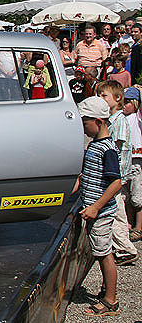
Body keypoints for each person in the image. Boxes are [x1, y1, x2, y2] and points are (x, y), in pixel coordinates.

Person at [73, 96, 122, 317]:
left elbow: (116, 183)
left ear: (99, 121)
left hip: (101, 212)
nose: (84, 128)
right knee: (100, 251)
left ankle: (110, 300)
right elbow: (86, 176)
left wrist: (95, 207)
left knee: (104, 253)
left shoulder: (107, 149)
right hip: (94, 209)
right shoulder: (95, 145)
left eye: (86, 123)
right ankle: (106, 289)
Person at [95, 80, 138, 266]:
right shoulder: (112, 120)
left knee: (116, 212)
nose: (100, 99)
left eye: (104, 96)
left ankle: (126, 248)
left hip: (116, 176)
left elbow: (115, 149)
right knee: (117, 212)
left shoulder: (119, 121)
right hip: (116, 176)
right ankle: (123, 246)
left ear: (117, 98)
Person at [121, 87, 142, 243]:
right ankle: (128, 222)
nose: (125, 104)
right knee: (126, 195)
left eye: (128, 102)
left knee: (137, 196)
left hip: (136, 160)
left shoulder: (137, 118)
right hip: (125, 160)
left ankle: (139, 226)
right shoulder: (121, 117)